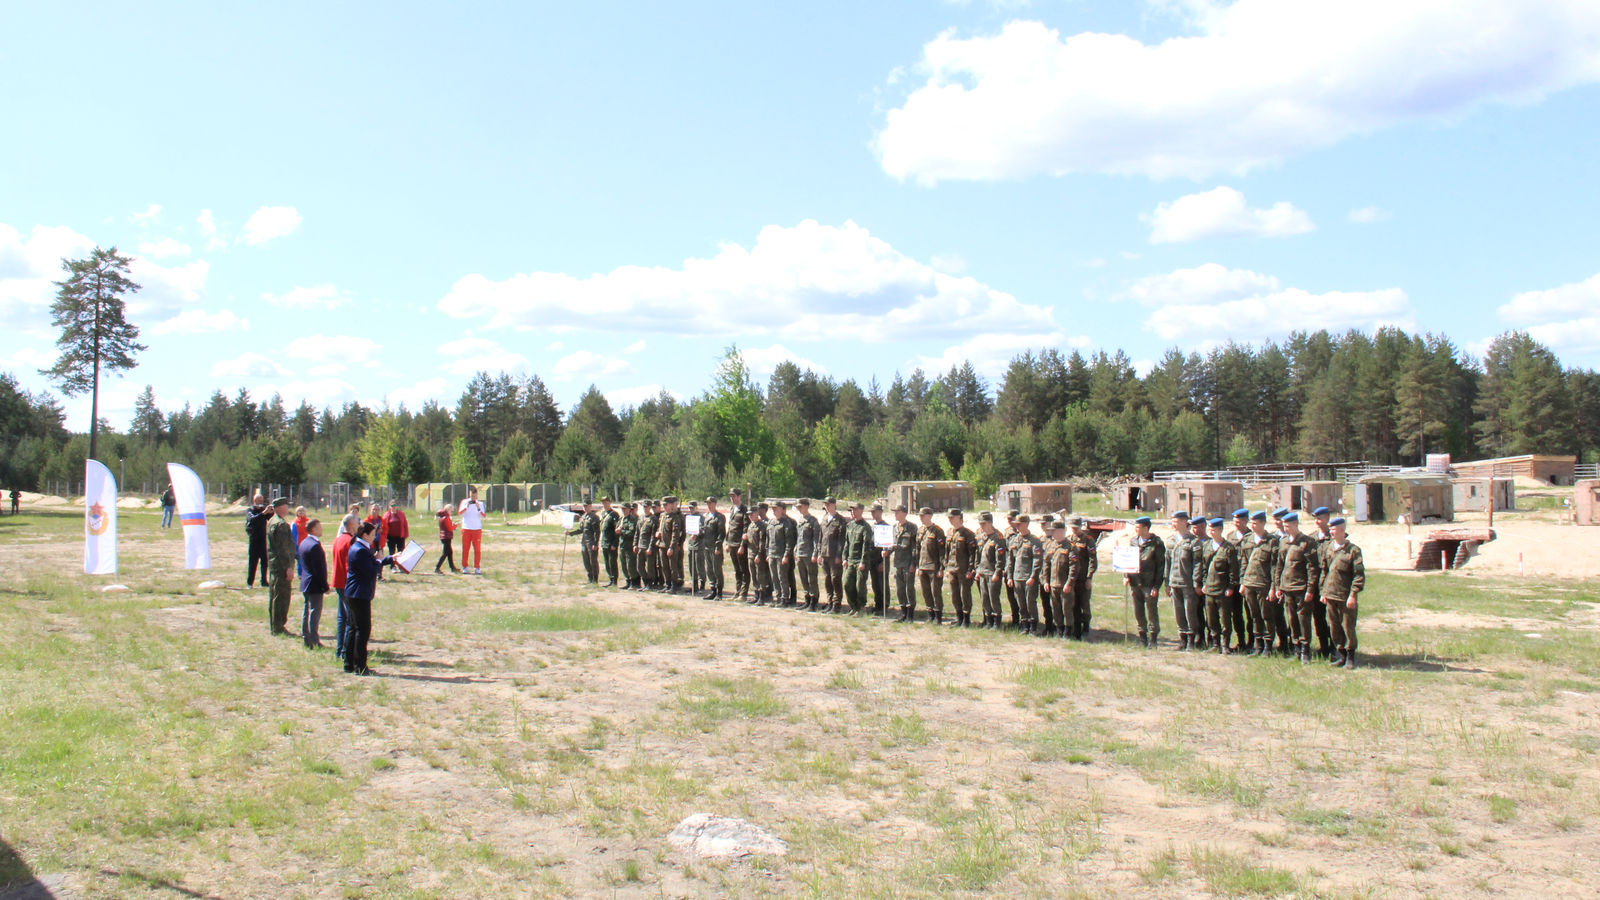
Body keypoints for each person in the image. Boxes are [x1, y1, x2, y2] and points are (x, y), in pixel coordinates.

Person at [343, 521, 396, 675]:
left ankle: (349, 663)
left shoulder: (361, 548)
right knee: (362, 630)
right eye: (372, 535)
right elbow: (371, 570)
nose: (374, 538)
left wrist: (391, 558)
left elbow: (373, 562)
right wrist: (379, 560)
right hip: (359, 594)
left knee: (354, 628)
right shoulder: (360, 550)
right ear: (364, 535)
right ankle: (360, 666)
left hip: (354, 593)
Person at [1276, 512, 1321, 663]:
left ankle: (1306, 649)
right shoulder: (1283, 542)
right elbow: (1279, 566)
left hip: (1301, 588)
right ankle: (1296, 647)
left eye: (1288, 526)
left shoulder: (1307, 542)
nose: (1286, 528)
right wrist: (1278, 587)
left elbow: (1312, 568)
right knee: (1292, 619)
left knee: (1303, 620)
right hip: (1287, 588)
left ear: (1296, 524)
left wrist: (1310, 589)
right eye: (1284, 526)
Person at [1320, 517, 1365, 669]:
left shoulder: (1353, 550)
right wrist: (1323, 592)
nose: (1331, 532)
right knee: (1334, 626)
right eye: (1330, 529)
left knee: (1348, 627)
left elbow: (1358, 575)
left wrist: (1353, 595)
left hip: (1345, 596)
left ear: (1341, 530)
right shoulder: (1329, 549)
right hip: (1331, 595)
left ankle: (1351, 656)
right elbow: (1324, 572)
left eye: (1333, 529)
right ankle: (1341, 655)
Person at [1195, 517, 1239, 654]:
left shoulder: (1228, 548)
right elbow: (1204, 567)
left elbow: (1233, 569)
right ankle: (1215, 643)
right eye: (1210, 529)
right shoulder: (1207, 546)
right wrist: (1203, 583)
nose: (1211, 532)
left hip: (1222, 589)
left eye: (1214, 529)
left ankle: (1225, 644)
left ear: (1220, 530)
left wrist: (1231, 587)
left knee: (1225, 619)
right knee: (1211, 618)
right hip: (1210, 589)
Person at [1237, 511, 1278, 657]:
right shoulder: (1247, 540)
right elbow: (1244, 562)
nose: (1252, 526)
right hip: (1249, 584)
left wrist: (1273, 588)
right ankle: (1258, 645)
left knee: (1266, 615)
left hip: (1263, 584)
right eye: (1251, 523)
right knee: (1254, 616)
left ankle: (1268, 646)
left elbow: (1275, 567)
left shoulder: (1272, 541)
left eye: (1255, 523)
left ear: (1263, 523)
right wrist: (1242, 582)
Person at [1124, 516, 1167, 648]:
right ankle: (1142, 637)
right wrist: (1126, 576)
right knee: (1138, 611)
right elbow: (1128, 560)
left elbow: (1160, 567)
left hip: (1149, 583)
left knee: (1151, 611)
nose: (1135, 529)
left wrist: (1156, 586)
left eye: (1138, 527)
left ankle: (1153, 639)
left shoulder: (1157, 543)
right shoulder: (1133, 541)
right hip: (1135, 582)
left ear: (1145, 528)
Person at [1164, 511, 1197, 649]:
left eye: (1175, 521)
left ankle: (1191, 640)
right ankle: (1182, 639)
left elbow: (1197, 564)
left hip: (1187, 584)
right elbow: (1167, 563)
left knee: (1190, 612)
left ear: (1184, 522)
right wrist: (1166, 583)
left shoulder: (1193, 541)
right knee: (1178, 612)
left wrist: (1196, 582)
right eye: (1172, 521)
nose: (1173, 524)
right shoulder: (1171, 540)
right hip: (1174, 582)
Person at [266, 497, 297, 636]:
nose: (287, 508)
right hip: (281, 566)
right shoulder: (281, 525)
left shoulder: (272, 521)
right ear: (279, 507)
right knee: (281, 596)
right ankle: (278, 627)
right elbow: (283, 549)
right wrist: (288, 567)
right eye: (285, 505)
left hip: (274, 565)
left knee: (274, 595)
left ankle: (275, 625)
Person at [1066, 517, 1099, 639]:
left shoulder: (1088, 540)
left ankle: (1086, 625)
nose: (1074, 530)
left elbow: (1092, 560)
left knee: (1084, 603)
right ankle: (1076, 626)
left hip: (1084, 578)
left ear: (1081, 526)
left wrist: (1089, 577)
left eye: (1076, 527)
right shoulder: (1070, 540)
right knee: (1073, 603)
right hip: (1073, 578)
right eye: (1072, 528)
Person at [298, 518, 329, 649]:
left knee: (307, 611)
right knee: (315, 612)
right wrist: (325, 586)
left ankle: (306, 636)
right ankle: (313, 640)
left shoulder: (304, 542)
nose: (321, 528)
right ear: (313, 529)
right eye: (319, 526)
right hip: (314, 584)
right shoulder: (315, 546)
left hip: (305, 582)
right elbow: (319, 569)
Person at [943, 509, 978, 627]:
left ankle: (966, 620)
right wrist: (946, 567)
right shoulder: (949, 532)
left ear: (959, 518)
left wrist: (970, 569)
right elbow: (947, 552)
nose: (950, 519)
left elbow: (972, 553)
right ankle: (959, 618)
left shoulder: (968, 534)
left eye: (952, 517)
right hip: (952, 569)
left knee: (965, 595)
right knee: (955, 595)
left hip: (963, 570)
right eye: (949, 517)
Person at [1008, 515, 1042, 635]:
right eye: (1016, 524)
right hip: (1017, 577)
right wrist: (1009, 577)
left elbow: (1037, 560)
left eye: (1019, 524)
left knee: (1030, 602)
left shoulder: (1034, 541)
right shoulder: (1014, 540)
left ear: (1026, 524)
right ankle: (1025, 625)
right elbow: (1011, 560)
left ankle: (1033, 626)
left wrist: (1033, 576)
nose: (1017, 526)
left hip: (1028, 577)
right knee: (1021, 603)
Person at [331, 514, 358, 662]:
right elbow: (352, 565)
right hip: (347, 583)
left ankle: (339, 649)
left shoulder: (338, 539)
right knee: (351, 619)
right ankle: (346, 651)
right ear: (351, 526)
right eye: (357, 523)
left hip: (338, 581)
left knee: (342, 618)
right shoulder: (350, 541)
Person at [916, 507, 946, 625]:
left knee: (936, 592)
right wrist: (918, 566)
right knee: (926, 592)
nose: (921, 518)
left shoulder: (937, 531)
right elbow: (918, 549)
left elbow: (942, 551)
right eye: (920, 516)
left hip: (933, 567)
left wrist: (941, 568)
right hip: (923, 566)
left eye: (923, 515)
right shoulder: (921, 530)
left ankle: (938, 616)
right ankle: (930, 614)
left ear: (929, 516)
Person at [975, 512, 1004, 629]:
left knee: (993, 598)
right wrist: (977, 570)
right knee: (984, 597)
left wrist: (997, 573)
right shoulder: (981, 538)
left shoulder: (998, 539)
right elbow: (978, 556)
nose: (981, 526)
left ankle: (997, 622)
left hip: (992, 574)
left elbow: (1000, 559)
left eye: (984, 524)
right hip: (982, 572)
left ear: (990, 523)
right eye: (980, 524)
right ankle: (988, 621)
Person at [842, 502, 872, 616]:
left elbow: (866, 546)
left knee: (860, 586)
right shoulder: (849, 525)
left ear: (861, 511)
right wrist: (844, 558)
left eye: (855, 510)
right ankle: (853, 606)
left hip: (860, 561)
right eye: (852, 510)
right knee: (847, 583)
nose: (853, 512)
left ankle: (861, 608)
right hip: (850, 560)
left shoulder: (865, 527)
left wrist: (863, 562)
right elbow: (847, 543)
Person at [891, 505, 918, 622]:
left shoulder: (912, 527)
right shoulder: (894, 528)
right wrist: (886, 551)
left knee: (909, 589)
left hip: (908, 563)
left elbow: (914, 547)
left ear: (904, 513)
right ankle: (903, 612)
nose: (895, 514)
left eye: (897, 512)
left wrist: (913, 563)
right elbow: (891, 543)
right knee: (900, 589)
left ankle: (910, 614)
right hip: (898, 563)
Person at [767, 501, 796, 608]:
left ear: (781, 509)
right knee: (774, 577)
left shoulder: (786, 523)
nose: (774, 510)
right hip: (772, 553)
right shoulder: (771, 522)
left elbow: (789, 541)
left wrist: (786, 555)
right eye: (773, 508)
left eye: (776, 508)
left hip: (781, 554)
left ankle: (785, 598)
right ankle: (778, 597)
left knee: (782, 577)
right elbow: (768, 539)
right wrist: (767, 553)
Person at [819, 498, 846, 611]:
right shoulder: (825, 518)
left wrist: (839, 556)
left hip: (834, 555)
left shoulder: (840, 520)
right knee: (827, 579)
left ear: (834, 505)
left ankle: (836, 604)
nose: (827, 506)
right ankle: (830, 602)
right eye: (825, 505)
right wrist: (819, 553)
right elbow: (821, 537)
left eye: (829, 504)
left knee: (835, 579)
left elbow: (841, 541)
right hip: (825, 554)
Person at [567, 502, 600, 584]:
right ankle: (590, 578)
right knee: (586, 561)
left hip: (591, 541)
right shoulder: (584, 517)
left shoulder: (594, 517)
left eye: (587, 506)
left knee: (593, 561)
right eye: (584, 506)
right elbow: (581, 530)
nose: (585, 507)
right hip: (584, 541)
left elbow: (597, 532)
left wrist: (595, 543)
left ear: (590, 506)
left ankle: (595, 580)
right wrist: (571, 533)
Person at [726, 488, 750, 600]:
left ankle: (743, 593)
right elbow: (730, 527)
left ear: (739, 496)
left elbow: (745, 529)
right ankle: (738, 590)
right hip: (732, 543)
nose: (732, 498)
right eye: (731, 496)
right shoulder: (732, 509)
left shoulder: (744, 510)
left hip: (739, 545)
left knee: (743, 569)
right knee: (737, 570)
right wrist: (727, 543)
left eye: (734, 496)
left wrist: (742, 545)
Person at [699, 497, 726, 600]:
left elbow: (721, 533)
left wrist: (718, 546)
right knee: (709, 569)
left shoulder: (719, 517)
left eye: (710, 503)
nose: (709, 505)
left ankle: (719, 592)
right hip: (706, 546)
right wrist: (697, 533)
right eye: (707, 503)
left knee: (717, 570)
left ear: (715, 503)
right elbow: (704, 530)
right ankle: (713, 590)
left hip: (714, 547)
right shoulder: (706, 516)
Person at [244, 493, 271, 589]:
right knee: (253, 562)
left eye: (261, 500)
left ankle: (264, 581)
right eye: (258, 500)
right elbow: (252, 520)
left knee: (264, 562)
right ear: (254, 500)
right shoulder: (250, 510)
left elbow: (271, 518)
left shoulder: (263, 510)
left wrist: (271, 511)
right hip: (254, 539)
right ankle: (250, 583)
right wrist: (263, 513)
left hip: (263, 539)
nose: (260, 502)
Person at [866, 504, 888, 616]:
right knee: (875, 584)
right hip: (873, 560)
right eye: (872, 512)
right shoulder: (873, 526)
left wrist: (883, 562)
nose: (873, 514)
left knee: (882, 584)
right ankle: (878, 604)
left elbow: (888, 547)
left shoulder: (886, 527)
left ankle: (884, 606)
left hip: (881, 560)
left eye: (874, 512)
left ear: (880, 512)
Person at [746, 502, 770, 605]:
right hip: (750, 554)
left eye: (752, 514)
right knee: (754, 575)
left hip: (758, 555)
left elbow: (762, 542)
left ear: (756, 513)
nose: (750, 516)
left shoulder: (762, 526)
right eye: (749, 514)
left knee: (761, 576)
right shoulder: (751, 525)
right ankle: (756, 595)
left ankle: (762, 597)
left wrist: (759, 554)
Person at [459, 487, 486, 575]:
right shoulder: (464, 502)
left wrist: (478, 508)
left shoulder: (480, 503)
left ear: (477, 495)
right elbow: (460, 513)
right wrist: (466, 507)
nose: (473, 498)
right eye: (471, 496)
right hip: (466, 528)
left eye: (474, 496)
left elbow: (483, 516)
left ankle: (477, 567)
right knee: (465, 548)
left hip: (477, 529)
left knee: (477, 549)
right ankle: (465, 566)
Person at [599, 497, 621, 588]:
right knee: (607, 562)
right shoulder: (604, 513)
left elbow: (617, 531)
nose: (605, 504)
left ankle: (614, 580)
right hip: (604, 542)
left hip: (611, 542)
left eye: (606, 502)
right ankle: (610, 579)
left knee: (612, 562)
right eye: (603, 503)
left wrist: (615, 543)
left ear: (610, 503)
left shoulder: (614, 515)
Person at [619, 503, 640, 590]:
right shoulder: (621, 519)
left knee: (631, 565)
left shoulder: (632, 519)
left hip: (629, 545)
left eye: (625, 509)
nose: (623, 510)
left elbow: (632, 532)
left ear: (629, 509)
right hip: (622, 544)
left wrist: (622, 531)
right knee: (624, 564)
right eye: (622, 509)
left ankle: (634, 583)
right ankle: (628, 581)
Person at [435, 505, 459, 574]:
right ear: (448, 510)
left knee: (449, 552)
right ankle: (437, 568)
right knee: (445, 553)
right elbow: (449, 528)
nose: (451, 512)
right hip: (446, 537)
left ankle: (452, 567)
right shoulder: (446, 517)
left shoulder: (442, 517)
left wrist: (452, 525)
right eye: (451, 510)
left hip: (444, 536)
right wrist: (456, 525)